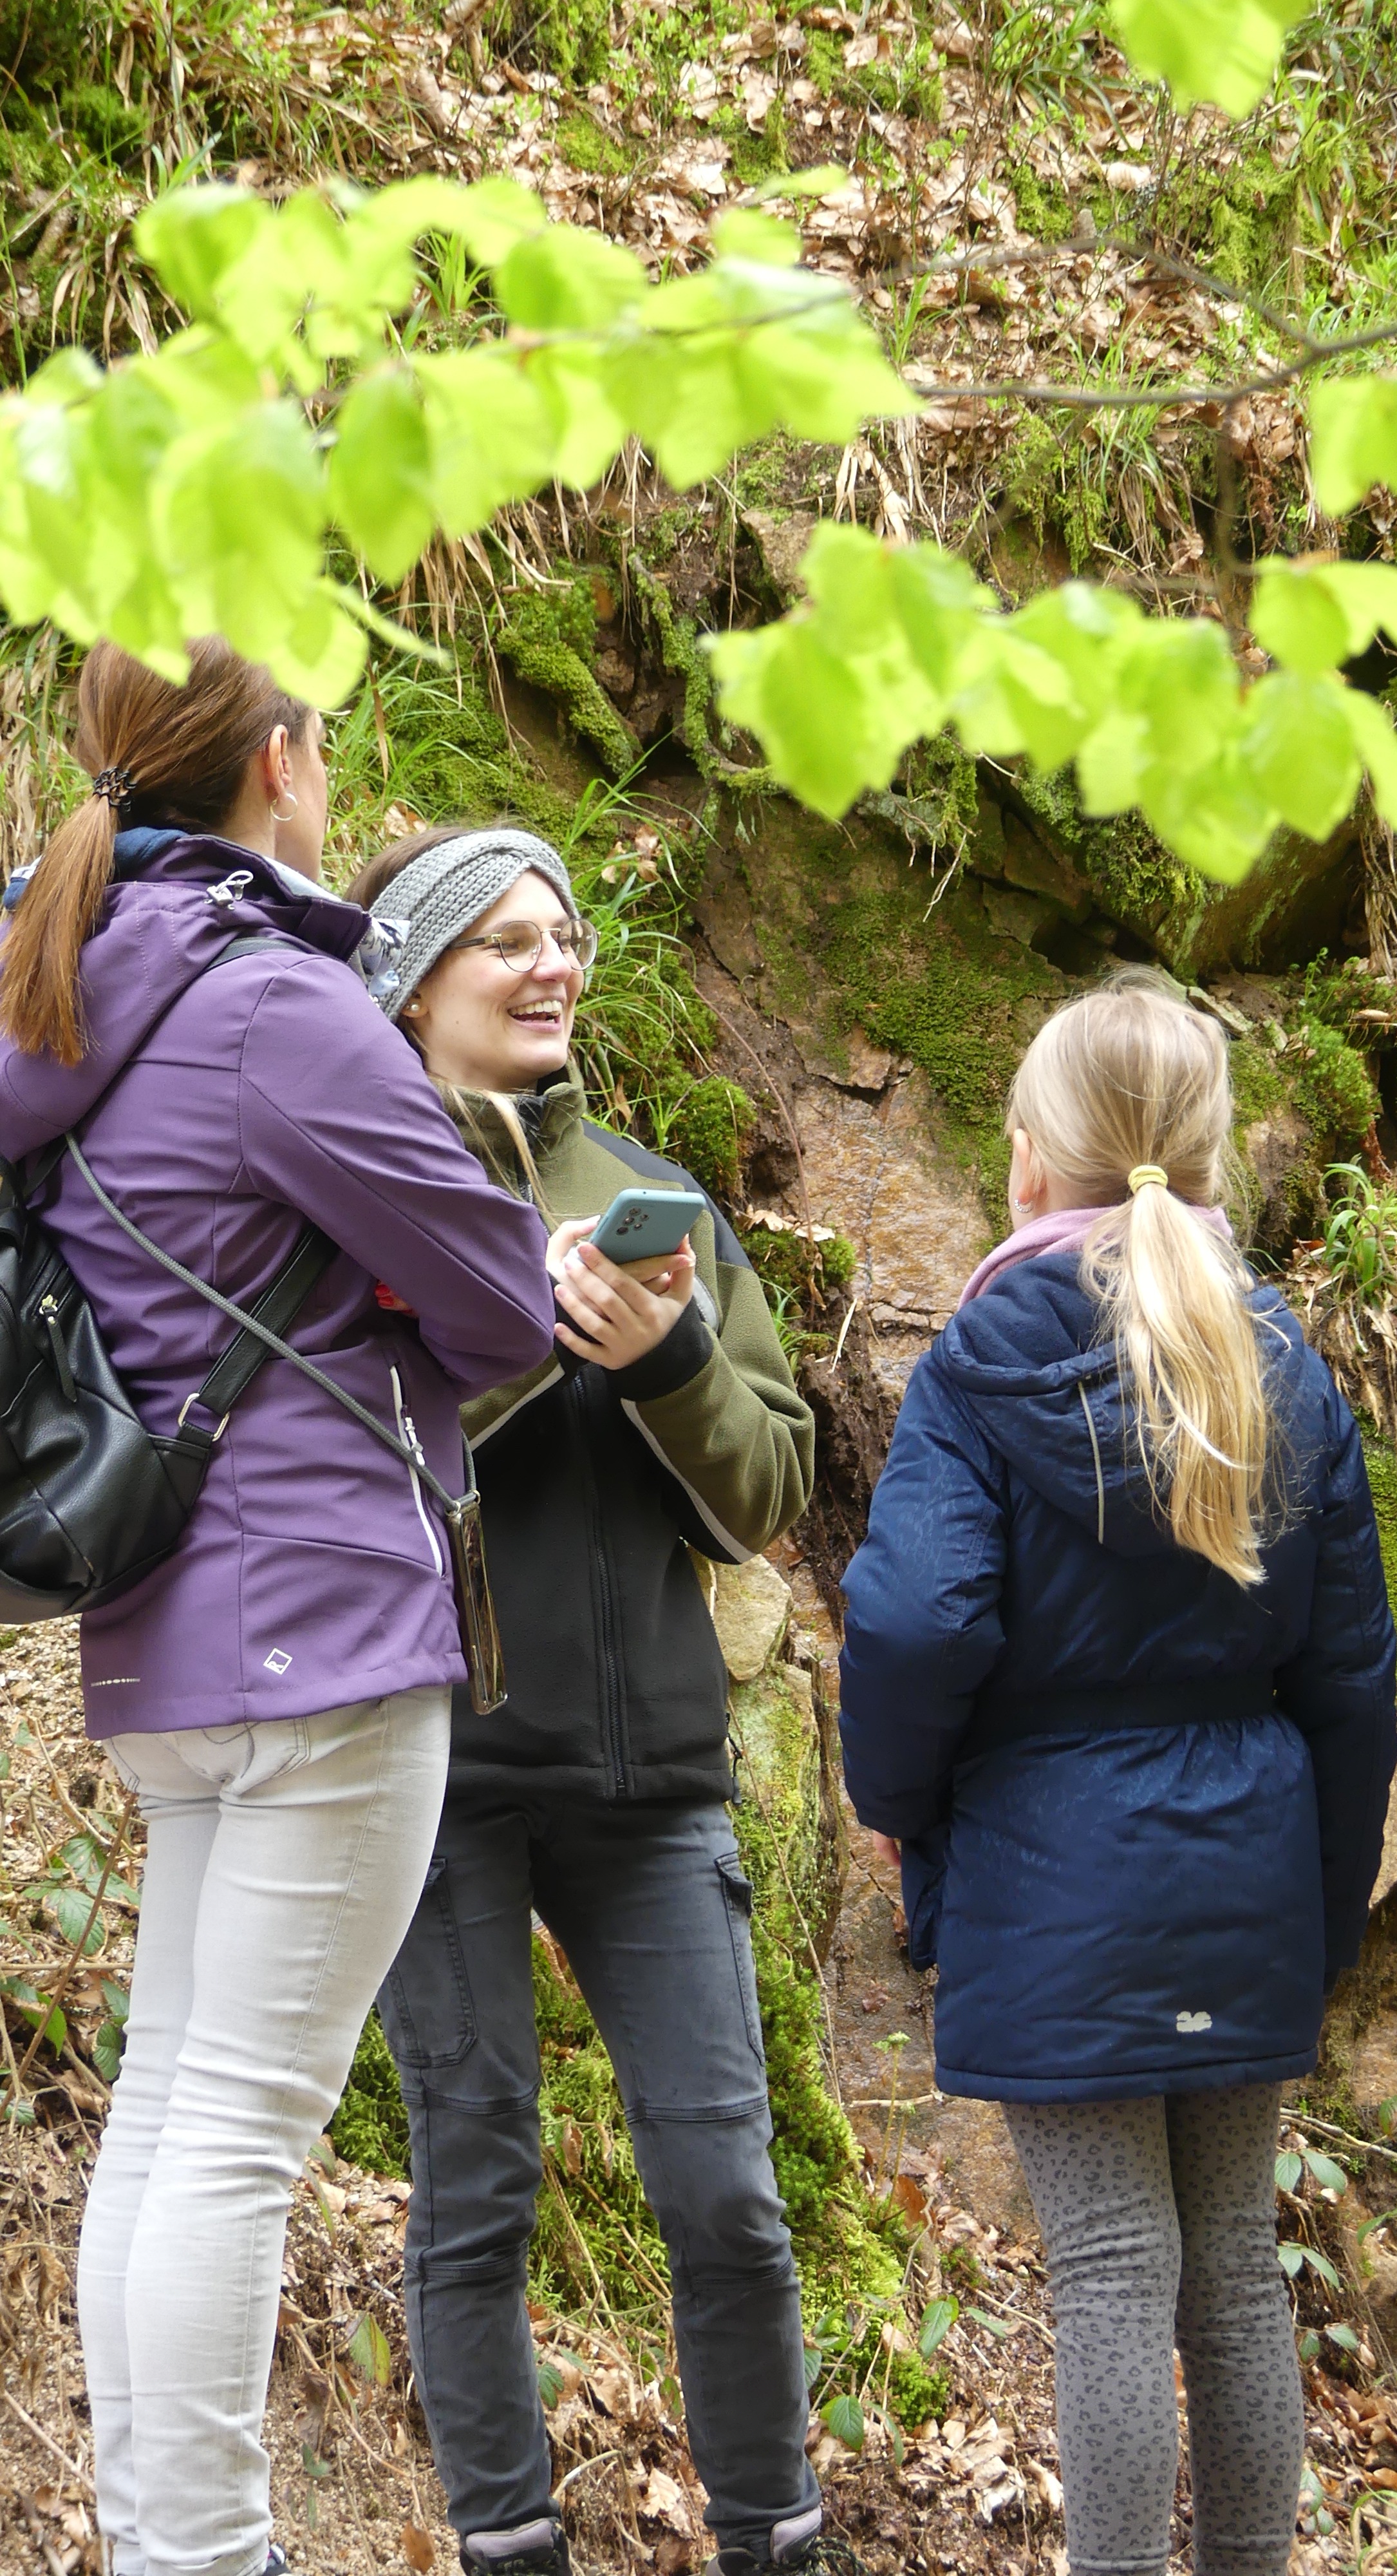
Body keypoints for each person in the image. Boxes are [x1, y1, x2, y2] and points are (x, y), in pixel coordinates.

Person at [0, 643, 558, 2576]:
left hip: (158, 1629)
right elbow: (503, 1299)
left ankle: (169, 2549)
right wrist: (400, 1286)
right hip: (326, 1610)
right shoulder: (280, 1006)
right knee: (233, 2135)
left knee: (170, 2116)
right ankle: (206, 2557)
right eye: (322, 737)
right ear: (275, 760)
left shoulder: (57, 990)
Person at [838, 971, 1397, 2576]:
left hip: (1047, 1865)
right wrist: (1322, 1899)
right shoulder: (1282, 1357)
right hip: (1248, 1861)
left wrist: (907, 1810)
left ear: (1028, 1162)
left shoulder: (971, 1363)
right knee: (1231, 2269)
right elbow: (1349, 1675)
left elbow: (916, 1622)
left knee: (1104, 2267)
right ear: (1212, 1158)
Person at [340, 826, 836, 2576]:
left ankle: (781, 2538)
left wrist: (666, 1359)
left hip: (652, 1782)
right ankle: (506, 2547)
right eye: (503, 941)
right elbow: (312, 1467)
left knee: (732, 2201)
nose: (552, 966)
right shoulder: (349, 1180)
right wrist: (518, 1353)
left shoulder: (655, 1193)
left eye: (564, 938)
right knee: (476, 2191)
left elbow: (773, 1481)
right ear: (410, 980)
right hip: (433, 1769)